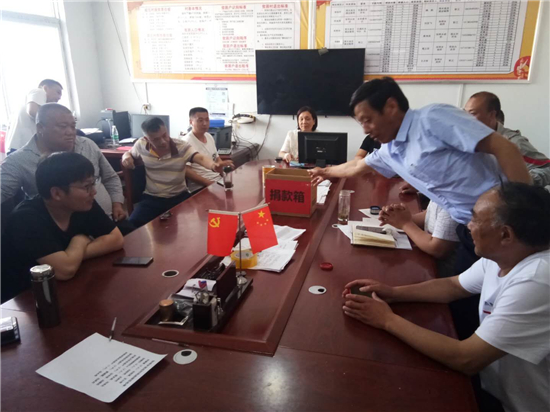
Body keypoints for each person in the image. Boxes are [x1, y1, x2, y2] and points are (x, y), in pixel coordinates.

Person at [342, 183, 550, 412]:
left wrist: (386, 320)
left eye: (476, 219)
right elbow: (453, 286)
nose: (468, 226)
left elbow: (466, 358)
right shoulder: (506, 255)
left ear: (505, 234)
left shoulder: (537, 279)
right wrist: (394, 293)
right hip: (494, 388)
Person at [2, 152, 124, 302]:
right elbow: (65, 271)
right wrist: (80, 240)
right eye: (86, 186)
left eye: (93, 183)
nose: (94, 191)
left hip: (67, 289)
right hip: (25, 299)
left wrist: (71, 256)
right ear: (57, 193)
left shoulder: (83, 203)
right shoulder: (26, 219)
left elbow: (116, 239)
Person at [1, 104, 127, 225]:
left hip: (109, 220)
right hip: (62, 231)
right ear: (40, 128)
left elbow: (110, 177)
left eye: (73, 126)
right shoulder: (18, 160)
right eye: (63, 126)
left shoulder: (87, 144)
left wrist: (117, 203)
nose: (70, 132)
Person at [122, 117, 234, 228]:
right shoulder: (141, 144)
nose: (163, 141)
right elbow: (129, 152)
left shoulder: (181, 146)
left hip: (178, 197)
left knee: (197, 225)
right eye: (156, 139)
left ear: (167, 130)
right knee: (131, 226)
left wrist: (213, 166)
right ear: (147, 138)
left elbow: (200, 158)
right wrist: (126, 156)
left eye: (164, 135)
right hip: (152, 198)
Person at [465, 91, 550, 187]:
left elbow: (547, 168)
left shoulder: (513, 142)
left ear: (492, 115)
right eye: (464, 113)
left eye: (472, 113)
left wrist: (523, 182)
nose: (466, 118)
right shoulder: (464, 140)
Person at [378, 201, 459, 277]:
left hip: (442, 272)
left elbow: (437, 249)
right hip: (426, 258)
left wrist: (405, 224)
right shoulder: (443, 195)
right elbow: (429, 215)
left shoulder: (453, 203)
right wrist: (399, 218)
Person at [6, 79, 63, 152]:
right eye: (58, 92)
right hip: (22, 146)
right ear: (45, 88)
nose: (59, 97)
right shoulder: (39, 91)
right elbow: (32, 111)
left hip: (20, 145)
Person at [181, 107, 222, 193]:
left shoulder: (209, 136)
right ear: (191, 122)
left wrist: (225, 174)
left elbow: (217, 159)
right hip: (200, 187)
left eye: (207, 120)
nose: (205, 123)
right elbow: (186, 170)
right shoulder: (185, 142)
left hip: (217, 180)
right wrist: (209, 183)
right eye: (200, 120)